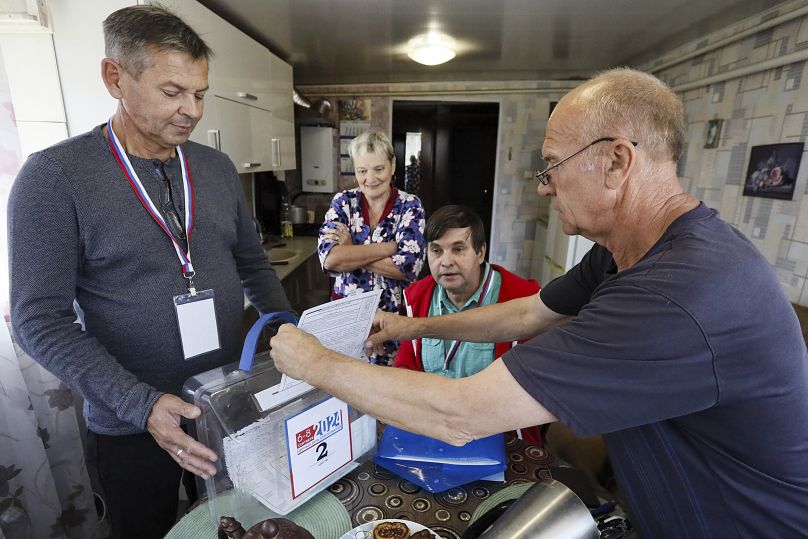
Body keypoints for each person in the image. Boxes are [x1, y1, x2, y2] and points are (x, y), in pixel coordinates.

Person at [269, 68, 808, 538]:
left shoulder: (677, 292)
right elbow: (528, 312)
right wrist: (410, 327)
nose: (544, 186)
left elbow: (462, 415)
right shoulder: (628, 253)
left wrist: (315, 363)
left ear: (616, 162)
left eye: (552, 165)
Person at [8, 5, 294, 538]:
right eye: (172, 92)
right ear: (115, 77)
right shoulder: (53, 178)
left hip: (230, 400)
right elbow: (37, 319)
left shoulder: (215, 168)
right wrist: (140, 405)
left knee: (247, 524)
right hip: (130, 421)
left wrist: (288, 329)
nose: (192, 110)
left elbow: (252, 262)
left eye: (201, 93)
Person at [393, 204, 545, 446]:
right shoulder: (417, 299)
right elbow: (406, 367)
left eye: (458, 249)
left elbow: (534, 391)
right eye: (436, 251)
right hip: (432, 434)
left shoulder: (523, 300)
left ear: (481, 252)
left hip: (501, 441)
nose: (446, 262)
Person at [318, 130, 426, 365]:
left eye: (379, 169)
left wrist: (352, 249)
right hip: (346, 318)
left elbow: (408, 267)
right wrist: (389, 247)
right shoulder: (343, 202)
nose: (371, 178)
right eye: (362, 171)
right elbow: (330, 259)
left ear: (392, 166)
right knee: (343, 384)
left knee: (389, 391)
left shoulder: (410, 205)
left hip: (392, 321)